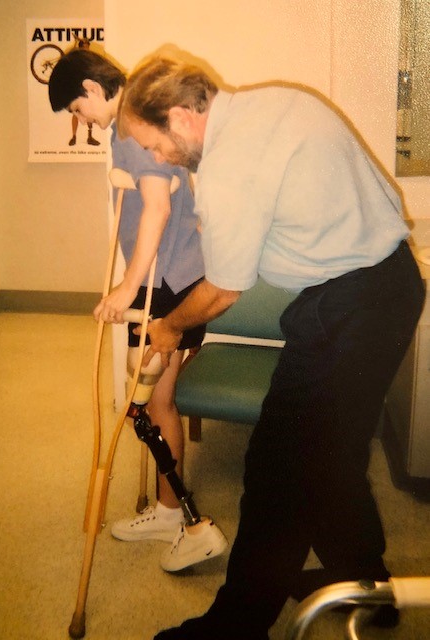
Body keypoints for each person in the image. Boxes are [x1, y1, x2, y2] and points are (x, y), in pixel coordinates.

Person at [118, 55, 425, 639]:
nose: (156, 159)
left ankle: (235, 627)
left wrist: (168, 327)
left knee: (280, 467)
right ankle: (365, 582)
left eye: (153, 144)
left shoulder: (231, 165)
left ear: (181, 117)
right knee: (330, 451)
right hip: (380, 285)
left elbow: (221, 291)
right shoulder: (278, 100)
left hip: (354, 302)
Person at [48, 50, 227, 572]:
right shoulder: (127, 127)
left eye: (78, 108)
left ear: (92, 87)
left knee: (149, 402)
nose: (82, 120)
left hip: (164, 284)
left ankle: (181, 516)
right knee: (153, 401)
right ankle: (173, 511)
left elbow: (158, 205)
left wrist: (127, 288)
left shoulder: (132, 128)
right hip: (171, 277)